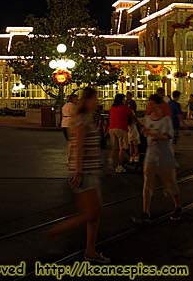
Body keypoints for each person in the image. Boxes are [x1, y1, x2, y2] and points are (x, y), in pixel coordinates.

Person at [45, 85, 109, 262]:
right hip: (85, 172)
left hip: (92, 170)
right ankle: (57, 230)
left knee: (95, 213)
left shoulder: (88, 118)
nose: (97, 102)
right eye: (95, 99)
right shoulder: (81, 119)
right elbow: (78, 145)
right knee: (91, 213)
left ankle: (90, 250)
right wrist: (78, 171)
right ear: (88, 100)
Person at [135, 93, 182, 222]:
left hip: (165, 155)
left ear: (158, 105)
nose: (149, 106)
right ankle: (145, 212)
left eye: (152, 103)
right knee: (147, 184)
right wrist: (144, 132)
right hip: (151, 155)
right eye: (148, 103)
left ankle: (178, 206)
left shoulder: (166, 120)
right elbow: (145, 131)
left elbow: (168, 136)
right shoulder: (147, 118)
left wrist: (154, 134)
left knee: (170, 183)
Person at [107, 94, 135, 174]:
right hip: (121, 128)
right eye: (124, 99)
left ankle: (112, 163)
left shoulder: (112, 107)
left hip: (112, 128)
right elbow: (132, 115)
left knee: (114, 148)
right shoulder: (124, 107)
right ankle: (120, 165)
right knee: (122, 148)